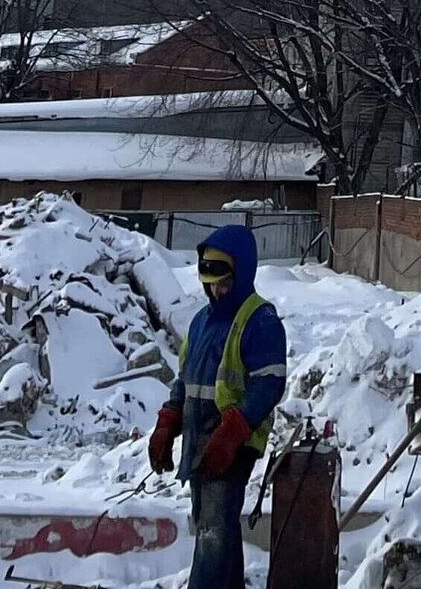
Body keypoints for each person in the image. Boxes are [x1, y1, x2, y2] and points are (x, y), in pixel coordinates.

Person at [149, 223, 288, 589]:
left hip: (232, 444)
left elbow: (269, 384)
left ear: (243, 271)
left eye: (223, 281)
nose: (216, 290)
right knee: (214, 527)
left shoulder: (260, 319)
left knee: (213, 530)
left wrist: (233, 431)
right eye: (209, 282)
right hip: (201, 440)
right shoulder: (201, 322)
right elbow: (186, 379)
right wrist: (168, 421)